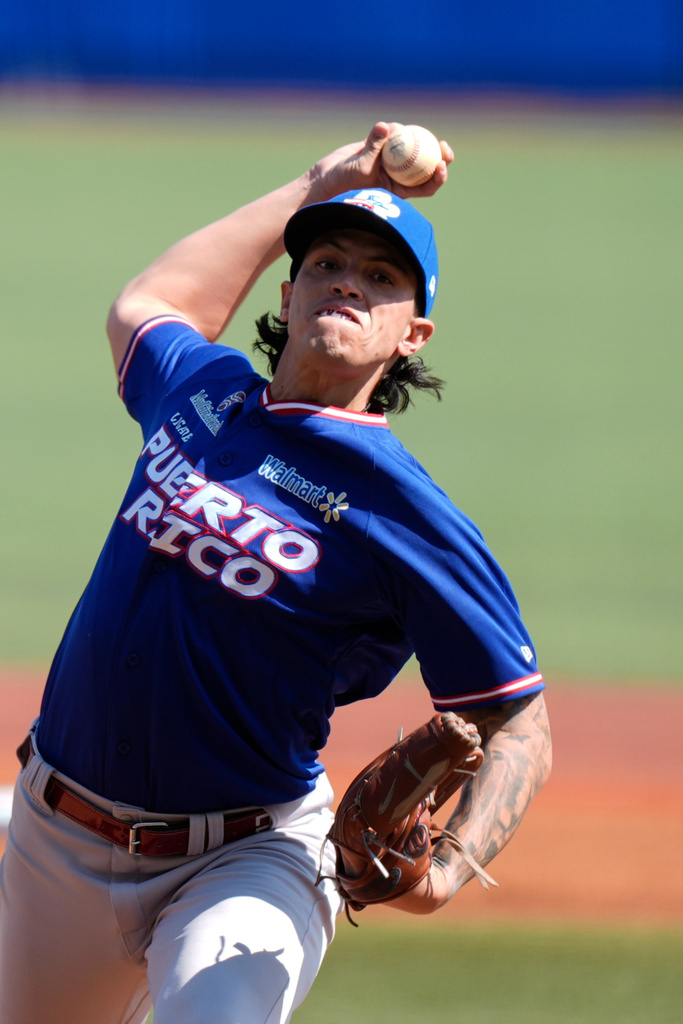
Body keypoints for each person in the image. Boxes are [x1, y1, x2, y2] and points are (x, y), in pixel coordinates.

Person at [0, 121, 552, 1024]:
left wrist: (444, 871)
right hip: (56, 840)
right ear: (288, 294)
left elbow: (518, 718)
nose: (348, 281)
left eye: (380, 277)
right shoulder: (206, 394)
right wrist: (313, 181)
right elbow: (148, 304)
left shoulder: (406, 511)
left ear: (411, 333)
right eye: (329, 262)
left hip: (246, 858)